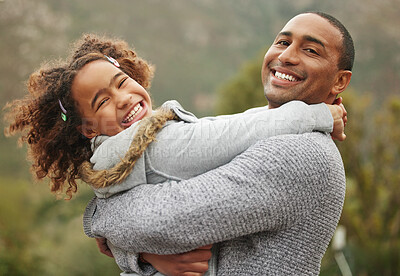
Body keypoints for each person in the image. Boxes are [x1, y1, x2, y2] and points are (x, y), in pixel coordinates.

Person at [4, 30, 346, 274]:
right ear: (87, 128)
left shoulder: (112, 153)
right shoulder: (151, 143)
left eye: (122, 82)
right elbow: (225, 135)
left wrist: (125, 246)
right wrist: (319, 115)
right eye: (103, 101)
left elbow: (229, 127)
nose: (122, 98)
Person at [90, 11, 354, 276]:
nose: (286, 56)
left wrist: (99, 217)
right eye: (283, 42)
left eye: (310, 50)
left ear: (340, 81)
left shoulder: (301, 153)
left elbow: (164, 222)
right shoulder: (256, 126)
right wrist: (138, 255)